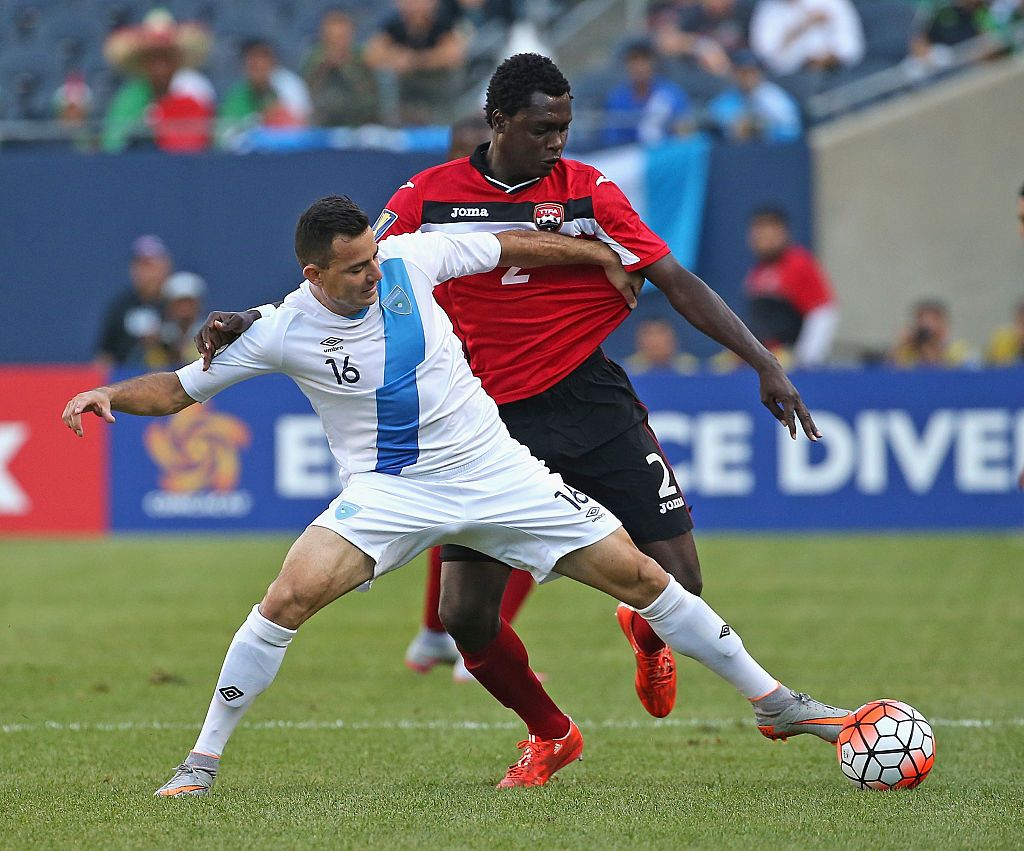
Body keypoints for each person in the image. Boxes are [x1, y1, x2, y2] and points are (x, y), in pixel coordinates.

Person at [63, 196, 849, 797]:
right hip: (389, 494)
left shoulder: (411, 256)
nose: (374, 273)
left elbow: (509, 242)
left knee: (646, 580)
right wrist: (108, 393)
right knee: (286, 597)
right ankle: (202, 761)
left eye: (373, 258)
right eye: (354, 268)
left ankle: (775, 701)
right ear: (313, 275)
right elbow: (175, 390)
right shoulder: (279, 330)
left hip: (498, 472)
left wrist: (595, 251)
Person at [202, 55, 838, 771]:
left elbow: (673, 278)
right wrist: (255, 318)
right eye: (543, 127)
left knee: (681, 579)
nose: (558, 141)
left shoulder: (591, 191)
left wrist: (763, 361)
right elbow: (350, 277)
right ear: (500, 121)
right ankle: (551, 731)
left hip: (587, 398)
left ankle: (648, 631)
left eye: (565, 127)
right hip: (486, 425)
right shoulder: (426, 197)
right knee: (464, 615)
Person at [102, 8, 216, 153]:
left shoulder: (193, 102)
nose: (159, 67)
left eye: (165, 59)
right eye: (153, 59)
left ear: (176, 63)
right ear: (143, 63)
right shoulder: (126, 102)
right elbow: (112, 147)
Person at [744, 206, 837, 366]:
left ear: (783, 233)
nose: (764, 238)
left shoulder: (798, 263)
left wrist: (807, 358)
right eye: (759, 232)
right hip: (767, 360)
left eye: (770, 232)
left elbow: (823, 312)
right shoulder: (757, 272)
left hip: (790, 359)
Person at [364, 0, 468, 125]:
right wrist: (396, 58)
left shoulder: (443, 23)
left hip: (437, 91)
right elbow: (371, 56)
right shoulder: (393, 25)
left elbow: (455, 55)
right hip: (404, 93)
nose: (415, 6)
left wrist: (417, 61)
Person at [94, 235, 173, 369]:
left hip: (170, 378)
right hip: (126, 380)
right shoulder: (121, 306)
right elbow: (105, 355)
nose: (146, 273)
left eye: (151, 266)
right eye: (141, 266)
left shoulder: (177, 305)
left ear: (165, 267)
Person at [218, 39, 312, 145]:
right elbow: (224, 137)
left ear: (273, 62)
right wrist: (260, 121)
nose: (257, 64)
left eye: (262, 58)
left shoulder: (288, 87)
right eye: (252, 61)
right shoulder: (237, 96)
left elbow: (302, 127)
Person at [602, 42, 692, 147]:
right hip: (630, 156)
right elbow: (611, 138)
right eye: (633, 60)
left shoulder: (671, 94)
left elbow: (685, 131)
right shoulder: (617, 98)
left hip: (666, 153)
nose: (639, 66)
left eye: (644, 60)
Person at [302, 9, 379, 127]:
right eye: (332, 36)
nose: (337, 41)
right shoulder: (313, 59)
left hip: (359, 122)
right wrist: (324, 66)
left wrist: (346, 67)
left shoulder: (363, 58)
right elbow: (305, 94)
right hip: (323, 123)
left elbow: (370, 96)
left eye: (341, 36)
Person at [707, 49, 802, 142]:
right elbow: (715, 123)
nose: (748, 77)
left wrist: (765, 130)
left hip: (772, 152)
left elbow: (792, 130)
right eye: (742, 72)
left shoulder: (775, 98)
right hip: (735, 153)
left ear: (760, 73)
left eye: (752, 72)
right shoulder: (726, 99)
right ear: (733, 74)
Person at [749, 0, 864, 76]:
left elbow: (850, 37)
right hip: (797, 76)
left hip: (838, 67)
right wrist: (800, 29)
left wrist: (831, 56)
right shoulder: (767, 11)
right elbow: (767, 57)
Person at [651, 0, 752, 76]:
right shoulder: (694, 13)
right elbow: (666, 41)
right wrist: (703, 46)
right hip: (698, 75)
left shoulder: (743, 13)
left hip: (738, 74)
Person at [888, 300, 973, 367]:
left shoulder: (958, 349)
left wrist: (938, 349)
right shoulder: (908, 352)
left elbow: (972, 374)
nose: (927, 326)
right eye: (921, 321)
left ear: (943, 323)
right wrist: (900, 346)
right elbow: (887, 374)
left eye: (933, 320)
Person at [159, 271, 207, 367]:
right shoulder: (159, 337)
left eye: (189, 302)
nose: (184, 308)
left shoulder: (210, 335)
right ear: (169, 305)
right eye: (179, 303)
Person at [625, 318, 700, 375]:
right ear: (638, 341)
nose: (655, 340)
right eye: (648, 333)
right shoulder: (629, 371)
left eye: (661, 332)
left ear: (674, 340)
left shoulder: (689, 369)